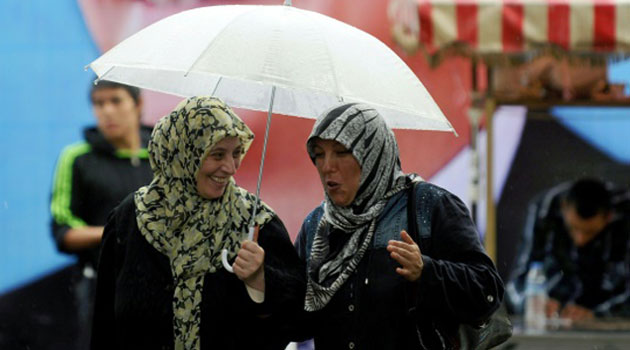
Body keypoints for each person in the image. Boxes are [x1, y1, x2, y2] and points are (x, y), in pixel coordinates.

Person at [90, 96, 304, 350]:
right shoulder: (129, 219)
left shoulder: (255, 223)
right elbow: (104, 328)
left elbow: (301, 324)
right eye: (217, 154)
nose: (230, 167)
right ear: (183, 153)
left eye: (236, 153)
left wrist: (261, 281)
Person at [293, 103, 504, 350]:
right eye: (318, 154)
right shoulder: (317, 226)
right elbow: (299, 325)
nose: (327, 165)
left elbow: (486, 291)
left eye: (341, 152)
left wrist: (427, 271)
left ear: (372, 154)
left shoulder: (429, 206)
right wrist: (261, 283)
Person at [50, 80, 153, 348]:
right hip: (99, 288)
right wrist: (121, 230)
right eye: (98, 103)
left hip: (161, 286)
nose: (106, 110)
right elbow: (63, 232)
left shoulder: (163, 155)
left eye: (115, 101)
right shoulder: (76, 158)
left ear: (138, 103)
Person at [506, 178, 630, 322]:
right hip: (552, 318)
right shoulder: (545, 208)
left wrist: (597, 316)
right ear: (563, 207)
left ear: (609, 217)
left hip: (612, 326)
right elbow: (518, 281)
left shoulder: (626, 213)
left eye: (590, 232)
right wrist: (532, 305)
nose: (580, 240)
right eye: (573, 228)